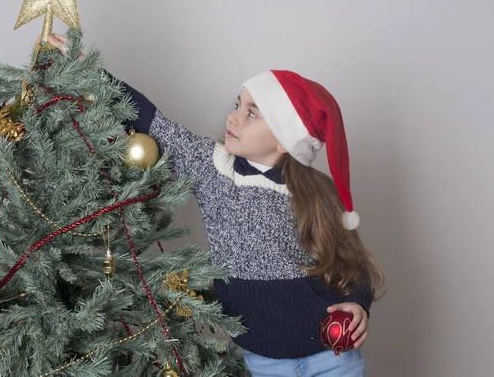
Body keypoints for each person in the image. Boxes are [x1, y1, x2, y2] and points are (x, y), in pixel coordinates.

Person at [44, 33, 385, 376]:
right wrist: (88, 71)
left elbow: (351, 265)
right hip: (263, 363)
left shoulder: (316, 192)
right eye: (238, 105)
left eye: (252, 113)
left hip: (331, 357)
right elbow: (152, 121)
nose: (233, 118)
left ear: (284, 139)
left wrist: (358, 305)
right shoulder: (215, 170)